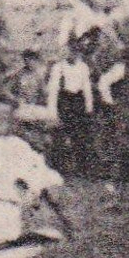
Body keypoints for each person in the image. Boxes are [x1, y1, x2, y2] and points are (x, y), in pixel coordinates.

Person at [45, 36, 97, 175]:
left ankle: (82, 167)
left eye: (77, 51)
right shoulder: (58, 67)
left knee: (80, 135)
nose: (74, 54)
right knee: (60, 135)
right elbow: (53, 90)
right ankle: (58, 167)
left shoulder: (83, 67)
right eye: (71, 50)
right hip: (63, 101)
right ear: (67, 51)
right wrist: (53, 112)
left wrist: (89, 108)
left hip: (77, 102)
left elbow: (87, 88)